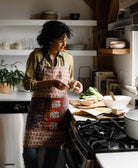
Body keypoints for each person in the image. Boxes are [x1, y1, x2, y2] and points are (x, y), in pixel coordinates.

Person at [22, 20, 83, 168]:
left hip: (59, 112)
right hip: (38, 111)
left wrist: (76, 85)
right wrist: (51, 82)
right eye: (61, 41)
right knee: (29, 152)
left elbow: (69, 81)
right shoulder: (36, 56)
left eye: (65, 40)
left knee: (52, 151)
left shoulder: (68, 57)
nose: (64, 44)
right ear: (50, 41)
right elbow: (27, 83)